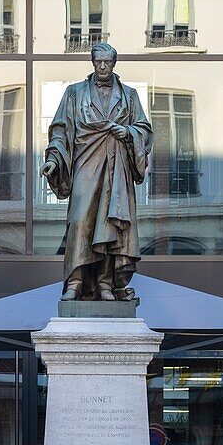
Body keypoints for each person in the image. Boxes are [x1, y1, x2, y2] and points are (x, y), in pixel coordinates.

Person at [40, 41, 153, 301]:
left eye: (107, 62)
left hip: (117, 169)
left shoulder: (130, 95)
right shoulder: (74, 93)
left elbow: (144, 129)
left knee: (111, 226)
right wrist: (54, 160)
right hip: (85, 166)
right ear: (92, 63)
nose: (103, 66)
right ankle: (75, 282)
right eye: (98, 61)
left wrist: (128, 132)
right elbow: (60, 130)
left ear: (114, 63)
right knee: (80, 222)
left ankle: (105, 284)